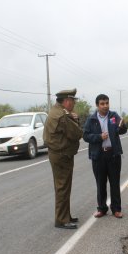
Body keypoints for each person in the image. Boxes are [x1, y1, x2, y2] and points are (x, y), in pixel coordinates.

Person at [43, 88, 83, 229]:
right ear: (66, 101)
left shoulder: (56, 111)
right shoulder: (62, 116)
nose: (74, 104)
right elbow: (77, 133)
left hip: (59, 154)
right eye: (72, 101)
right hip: (61, 156)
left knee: (64, 187)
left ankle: (65, 215)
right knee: (62, 188)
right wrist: (76, 120)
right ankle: (61, 219)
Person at [83, 94, 128, 218]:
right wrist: (99, 137)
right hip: (98, 156)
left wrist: (124, 125)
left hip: (113, 154)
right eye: (102, 104)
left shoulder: (114, 116)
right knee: (100, 183)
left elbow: (121, 130)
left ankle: (116, 209)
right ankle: (102, 208)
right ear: (97, 105)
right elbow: (86, 136)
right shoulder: (91, 119)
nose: (105, 106)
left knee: (115, 183)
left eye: (107, 103)